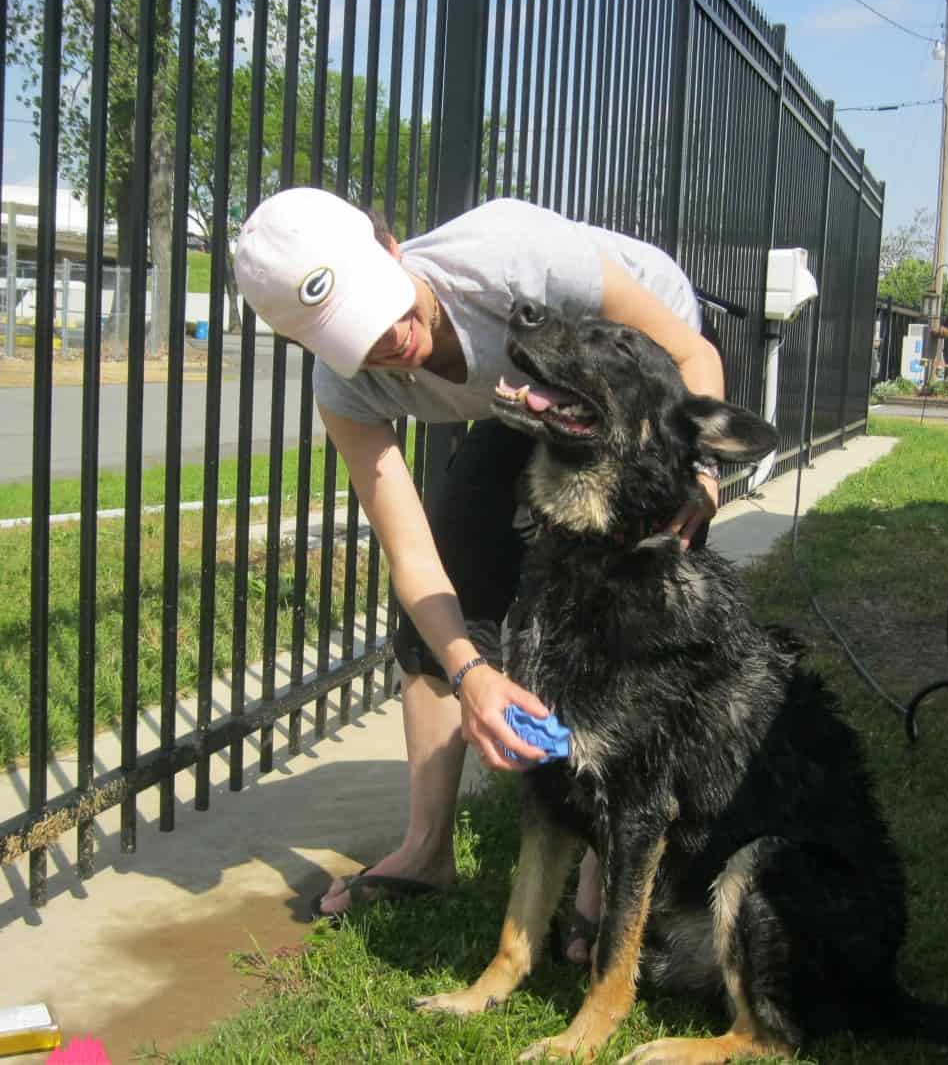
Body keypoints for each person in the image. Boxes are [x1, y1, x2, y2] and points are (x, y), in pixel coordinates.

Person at [234, 187, 724, 961]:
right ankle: (427, 848)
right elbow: (415, 557)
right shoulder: (344, 386)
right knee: (451, 577)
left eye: (384, 307)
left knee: (624, 600)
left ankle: (601, 872)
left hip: (632, 359)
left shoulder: (511, 258)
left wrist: (692, 473)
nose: (392, 342)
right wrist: (471, 674)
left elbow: (693, 357)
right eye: (355, 337)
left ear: (391, 249)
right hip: (519, 399)